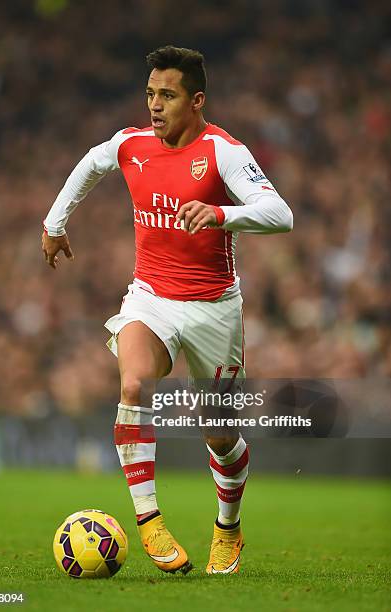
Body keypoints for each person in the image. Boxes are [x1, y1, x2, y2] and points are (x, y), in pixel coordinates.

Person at [42, 45, 293, 575]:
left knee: (221, 437)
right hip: (151, 298)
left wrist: (223, 213)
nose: (155, 105)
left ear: (196, 100)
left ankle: (228, 527)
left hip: (214, 309)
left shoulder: (222, 150)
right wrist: (54, 224)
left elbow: (280, 213)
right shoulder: (131, 145)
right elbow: (89, 165)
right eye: (150, 94)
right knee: (133, 386)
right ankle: (149, 521)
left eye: (168, 95)